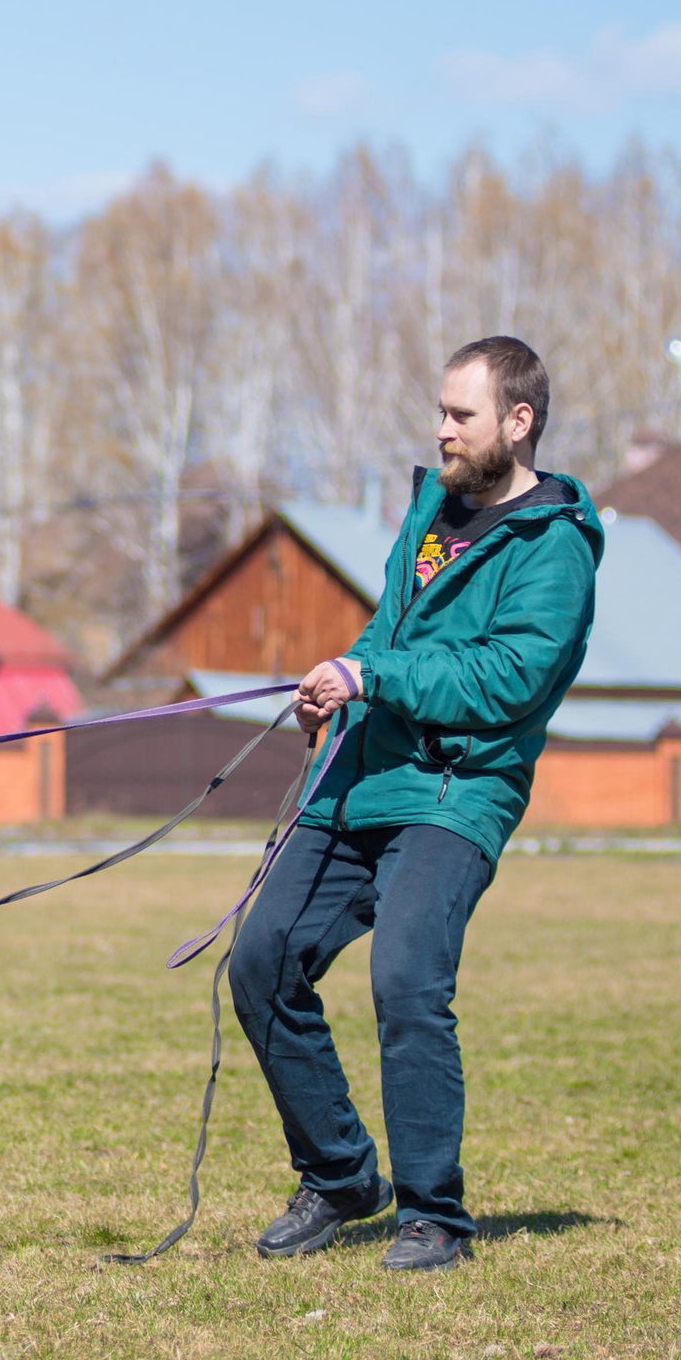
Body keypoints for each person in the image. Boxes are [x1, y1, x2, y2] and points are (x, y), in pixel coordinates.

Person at [233, 336, 602, 1272]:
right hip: (358, 773)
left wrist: (376, 672)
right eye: (440, 411)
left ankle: (434, 1213)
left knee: (405, 981)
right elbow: (388, 629)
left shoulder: (553, 549)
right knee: (260, 958)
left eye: (461, 415)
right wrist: (339, 679)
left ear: (518, 423)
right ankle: (342, 1176)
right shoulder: (432, 515)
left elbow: (509, 676)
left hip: (455, 789)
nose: (441, 429)